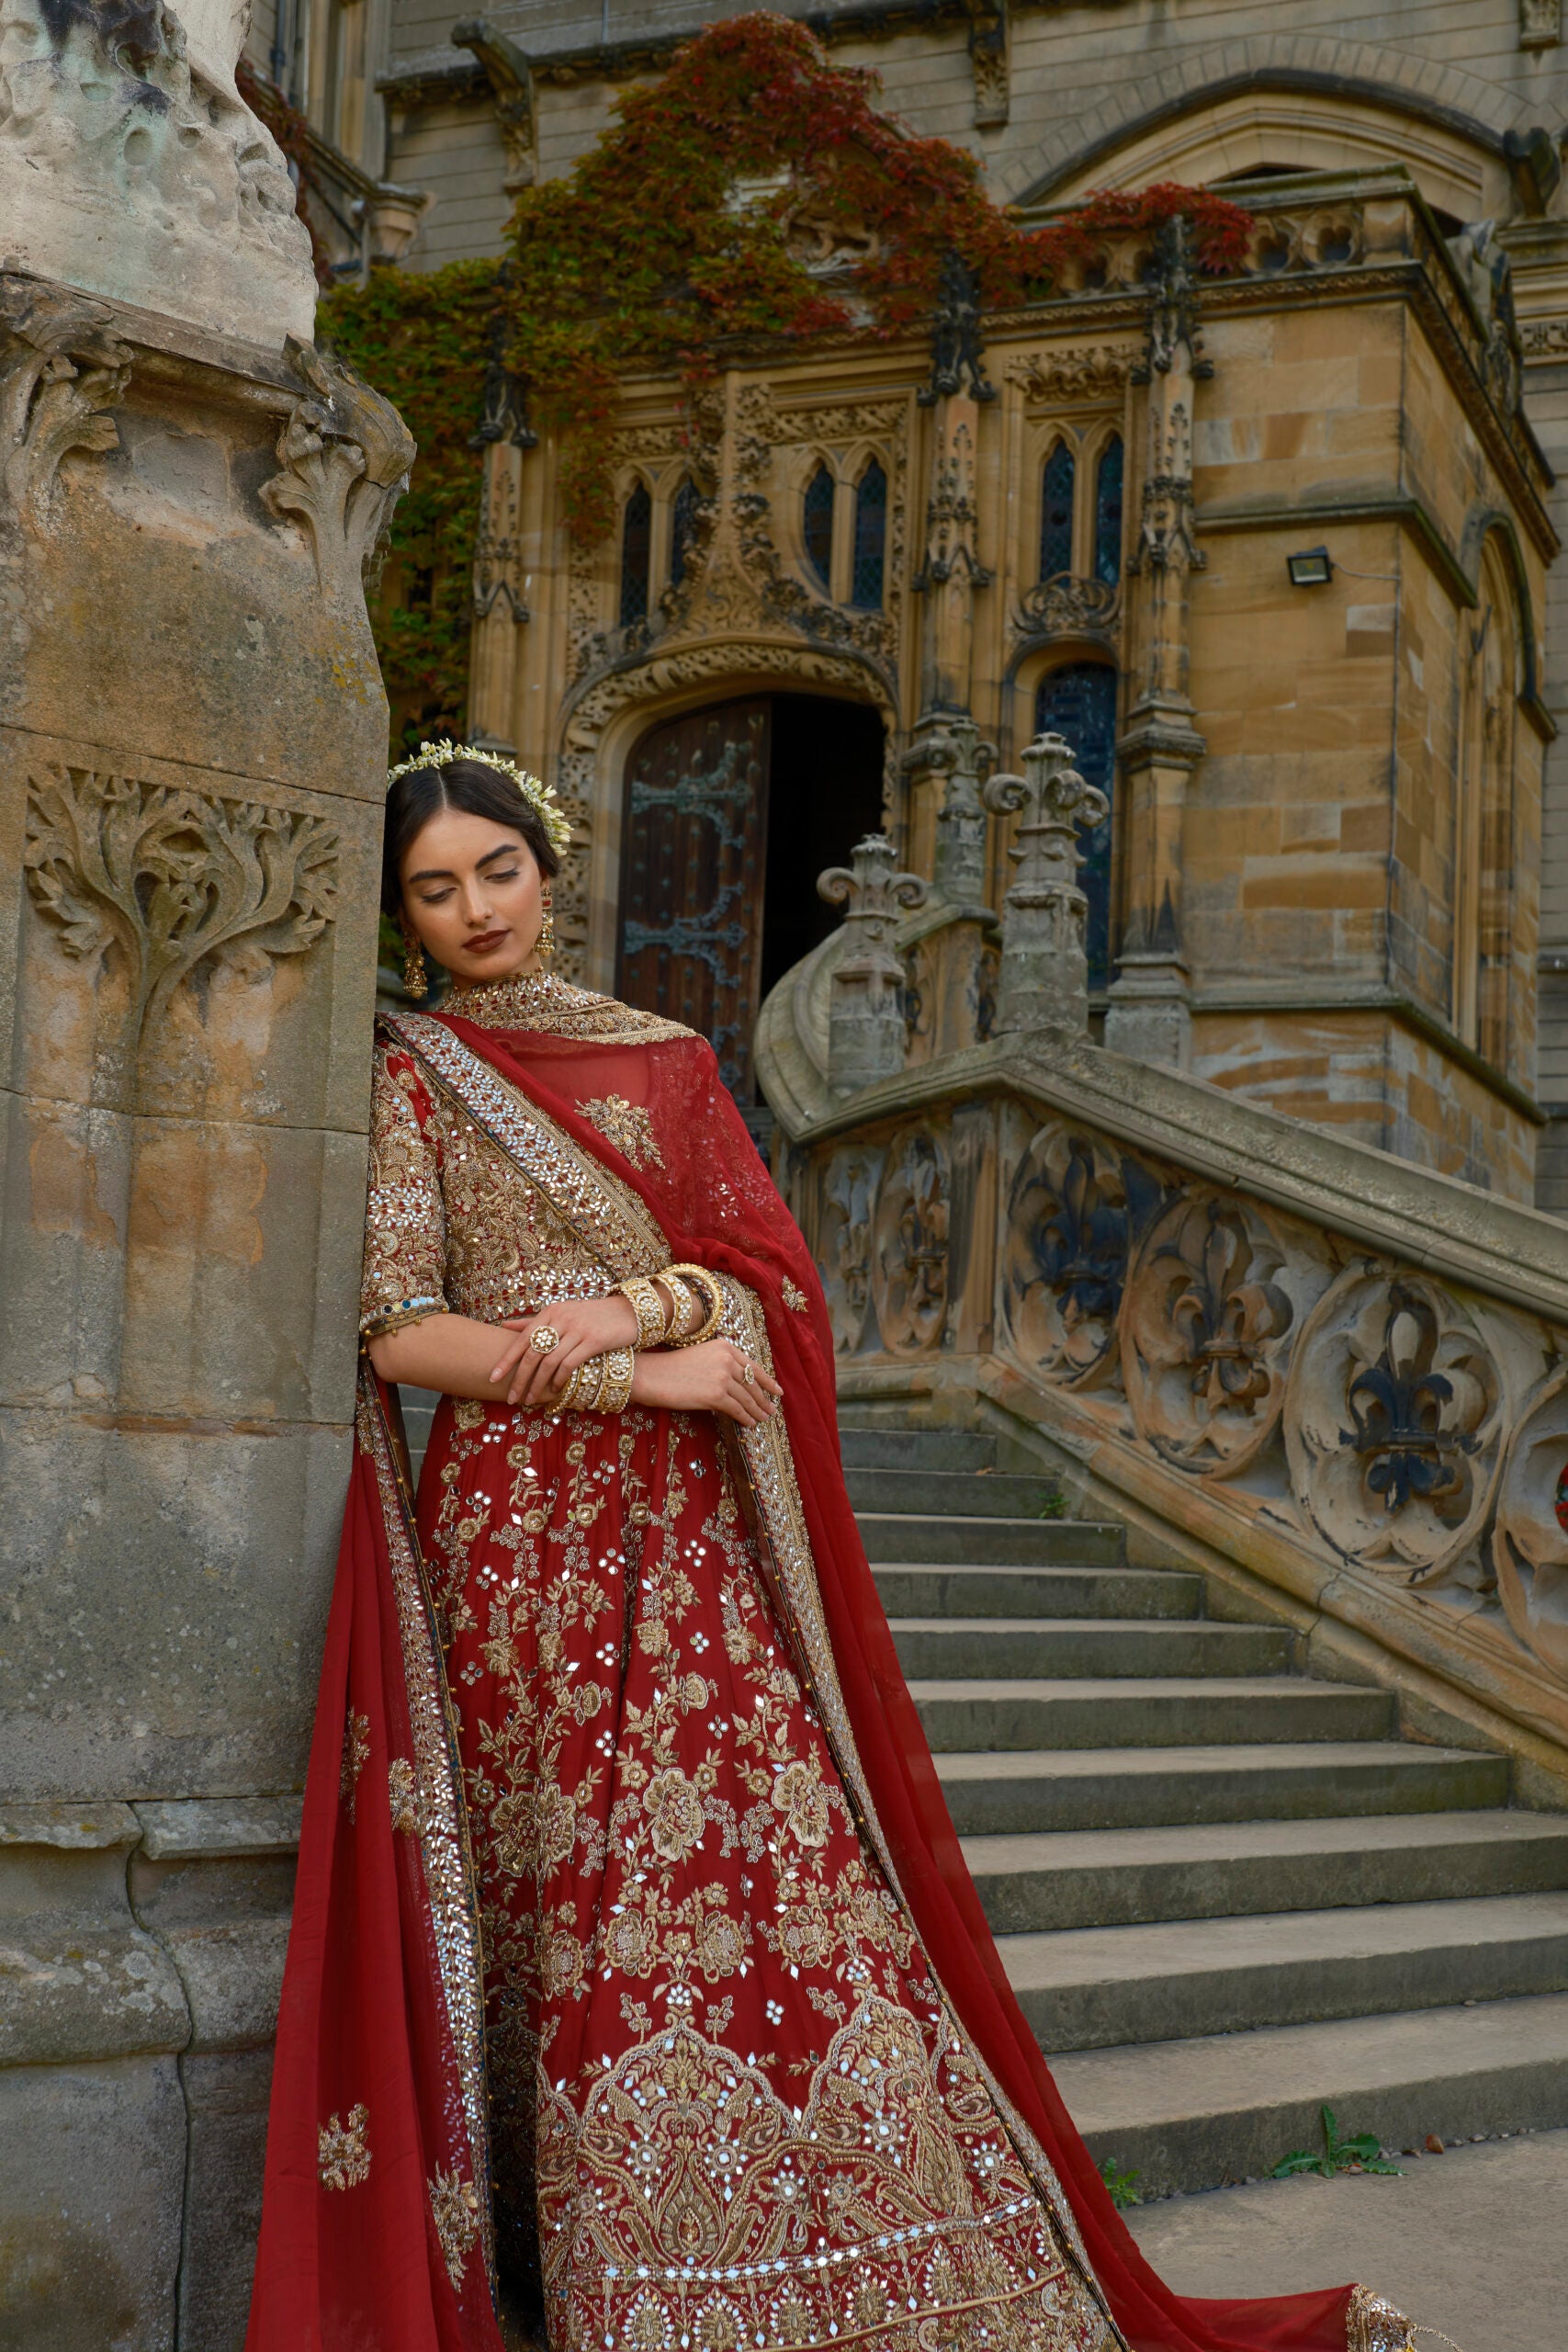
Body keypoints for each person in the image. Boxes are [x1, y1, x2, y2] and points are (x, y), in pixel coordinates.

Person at [247, 744, 1428, 2352]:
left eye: (497, 870)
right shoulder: (412, 1076)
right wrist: (637, 1371)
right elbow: (399, 1333)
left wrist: (645, 1302)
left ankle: (824, 2265)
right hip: (514, 1554)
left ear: (552, 863)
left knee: (739, 1871)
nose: (475, 911)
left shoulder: (665, 1061)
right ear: (404, 915)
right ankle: (601, 2266)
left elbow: (766, 1277)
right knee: (561, 1900)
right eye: (435, 890)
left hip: (685, 1540)